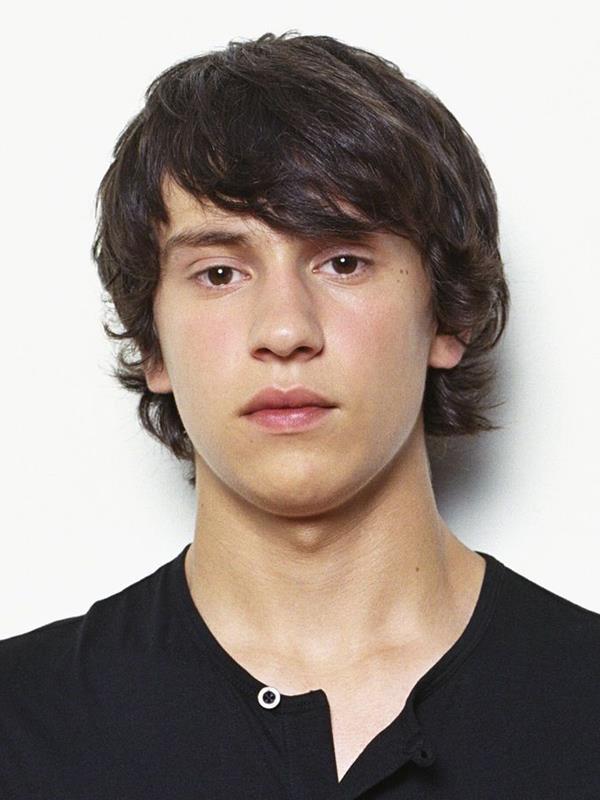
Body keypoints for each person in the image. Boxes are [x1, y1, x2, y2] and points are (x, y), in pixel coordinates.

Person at [1, 31, 598, 799]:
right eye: (220, 272)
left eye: (343, 262)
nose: (285, 330)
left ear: (447, 314)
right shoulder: (21, 726)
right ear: (153, 343)